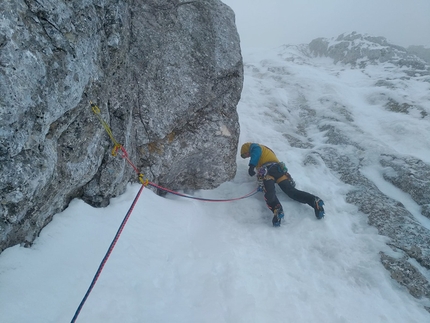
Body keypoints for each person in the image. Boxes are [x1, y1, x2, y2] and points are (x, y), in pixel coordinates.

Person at [240, 142, 325, 226]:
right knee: (291, 191)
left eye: (245, 154)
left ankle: (277, 209)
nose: (247, 156)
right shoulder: (266, 152)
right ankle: (314, 200)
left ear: (247, 149)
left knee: (270, 192)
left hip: (268, 172)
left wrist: (251, 166)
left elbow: (256, 153)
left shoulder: (255, 147)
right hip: (278, 170)